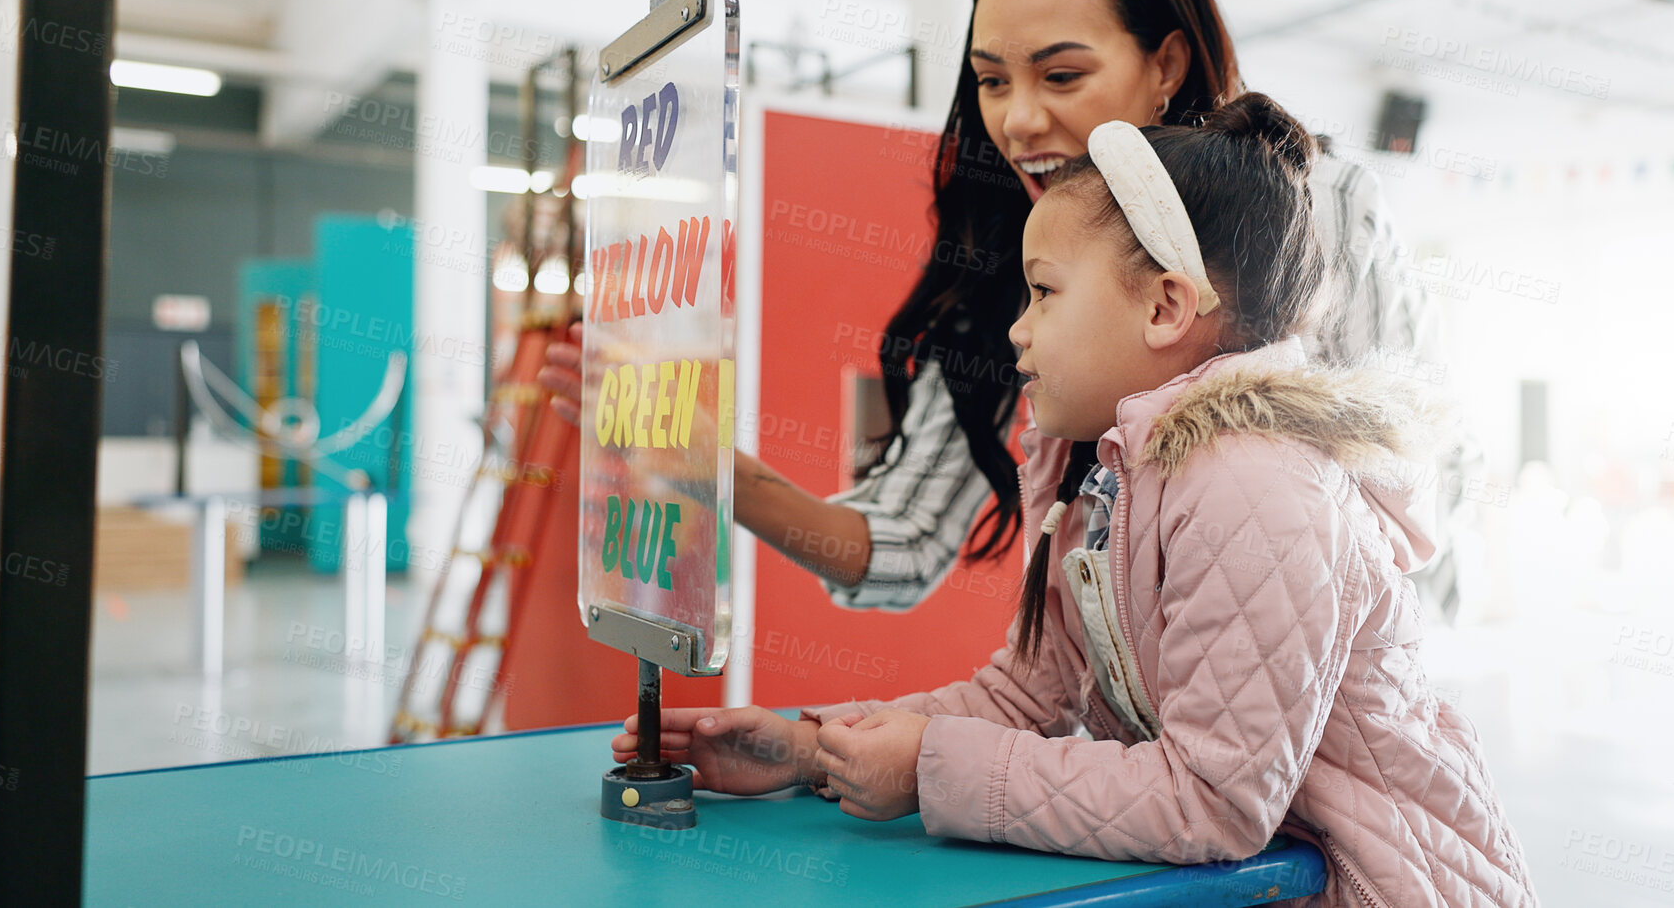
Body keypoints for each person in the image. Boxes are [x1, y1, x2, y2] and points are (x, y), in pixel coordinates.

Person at [612, 95, 1537, 904]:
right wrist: (815, 751)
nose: (1016, 327)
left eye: (1044, 291)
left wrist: (930, 769)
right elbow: (1029, 693)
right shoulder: (1106, 466)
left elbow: (1212, 803)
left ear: (1166, 308)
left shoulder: (1257, 482)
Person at [541, 0, 1458, 616]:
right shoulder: (1019, 258)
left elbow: (1408, 492)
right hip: (1139, 747)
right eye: (989, 81)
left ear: (1167, 64)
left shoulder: (1323, 207)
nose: (1018, 120)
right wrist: (707, 465)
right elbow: (897, 543)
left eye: (1062, 75)